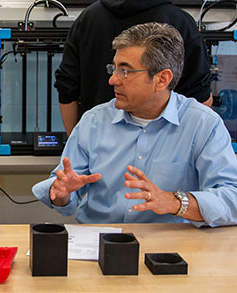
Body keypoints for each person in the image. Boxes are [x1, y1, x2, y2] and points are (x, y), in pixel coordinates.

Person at [32, 22, 237, 227]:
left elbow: (232, 198)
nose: (113, 80)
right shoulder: (93, 122)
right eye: (114, 68)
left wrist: (174, 202)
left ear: (162, 79)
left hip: (171, 246)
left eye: (125, 71)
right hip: (98, 243)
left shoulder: (202, 125)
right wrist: (61, 194)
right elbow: (64, 196)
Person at [55, 0, 213, 135]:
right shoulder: (179, 21)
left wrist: (78, 143)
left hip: (99, 141)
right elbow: (200, 96)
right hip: (165, 148)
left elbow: (67, 91)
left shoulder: (87, 18)